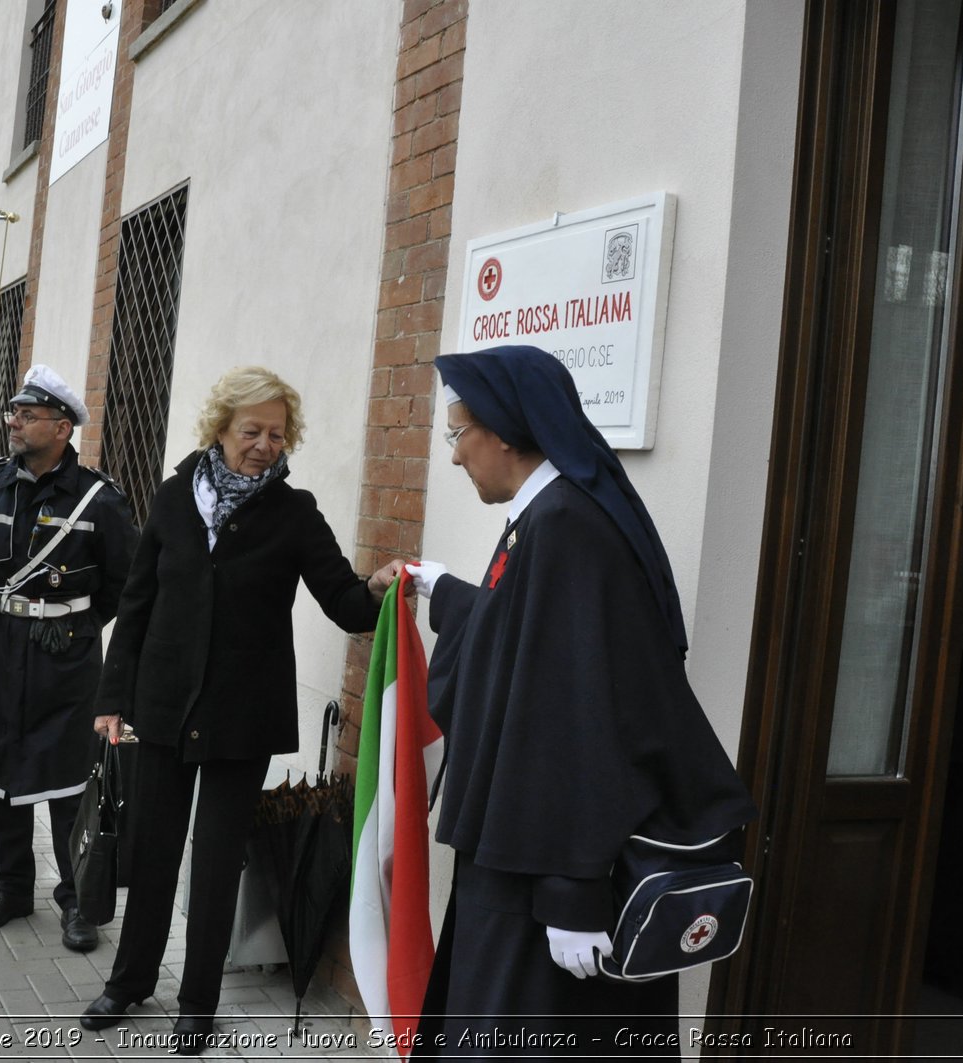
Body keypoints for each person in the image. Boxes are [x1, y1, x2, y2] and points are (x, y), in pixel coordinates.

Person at [402, 345, 757, 1053]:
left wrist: (571, 893)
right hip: (530, 855)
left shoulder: (565, 525)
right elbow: (520, 648)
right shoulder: (550, 516)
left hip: (549, 877)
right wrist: (436, 586)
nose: (453, 456)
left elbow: (581, 716)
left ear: (502, 431)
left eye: (456, 432)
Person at [79, 366, 404, 1054]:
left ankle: (198, 1001)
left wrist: (376, 590)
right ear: (220, 428)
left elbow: (341, 598)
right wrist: (113, 697)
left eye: (277, 433)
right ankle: (130, 979)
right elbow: (135, 605)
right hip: (163, 705)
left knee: (219, 858)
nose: (263, 444)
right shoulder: (172, 499)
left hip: (241, 713)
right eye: (251, 430)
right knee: (154, 848)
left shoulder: (294, 512)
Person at [0, 365, 139, 952]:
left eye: (27, 415)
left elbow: (128, 583)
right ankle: (10, 888)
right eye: (13, 412)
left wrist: (80, 626)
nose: (14, 422)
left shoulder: (98, 499)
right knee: (1, 775)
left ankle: (77, 900)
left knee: (68, 782)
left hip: (66, 661)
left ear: (62, 428)